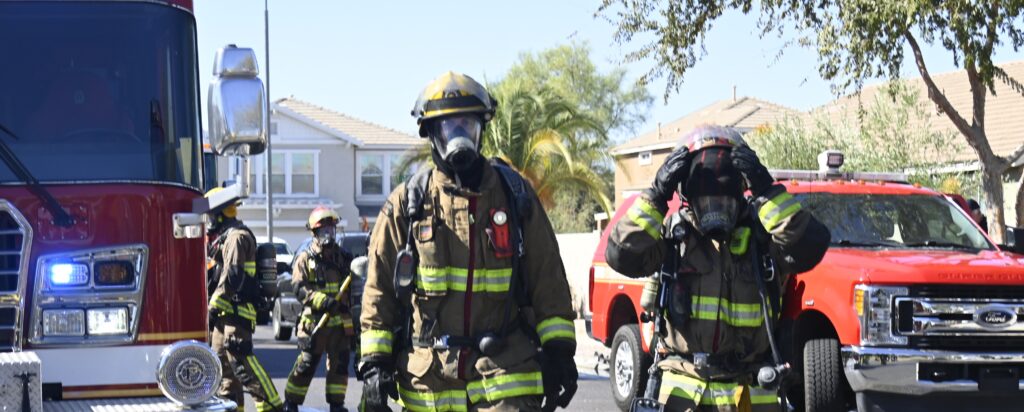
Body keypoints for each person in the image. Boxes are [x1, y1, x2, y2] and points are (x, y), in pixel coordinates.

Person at [359, 71, 578, 412]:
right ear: (432, 133)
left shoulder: (514, 197)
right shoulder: (407, 205)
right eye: (449, 126)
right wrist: (374, 364)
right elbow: (379, 290)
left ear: (481, 129)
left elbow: (547, 277)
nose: (458, 135)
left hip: (505, 376)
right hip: (429, 383)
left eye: (467, 124)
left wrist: (559, 351)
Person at [604, 125, 830, 411]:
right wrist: (657, 196)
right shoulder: (674, 237)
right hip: (683, 396)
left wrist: (767, 191)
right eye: (707, 201)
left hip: (749, 395)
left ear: (739, 191)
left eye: (724, 200)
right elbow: (620, 254)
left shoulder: (761, 238)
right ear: (688, 195)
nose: (716, 211)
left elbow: (811, 245)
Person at [205, 187, 284, 412]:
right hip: (225, 315)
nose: (209, 221)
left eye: (211, 216)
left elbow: (232, 277)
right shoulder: (224, 238)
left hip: (236, 312)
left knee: (243, 365)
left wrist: (212, 307)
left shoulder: (237, 237)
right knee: (224, 371)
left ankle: (272, 408)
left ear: (220, 214)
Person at [283, 206, 354, 412]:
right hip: (315, 322)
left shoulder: (343, 258)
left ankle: (337, 404)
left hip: (339, 324)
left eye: (331, 230)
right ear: (314, 233)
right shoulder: (306, 258)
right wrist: (322, 301)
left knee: (340, 365)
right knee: (306, 363)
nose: (329, 234)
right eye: (324, 231)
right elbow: (299, 287)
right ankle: (291, 402)